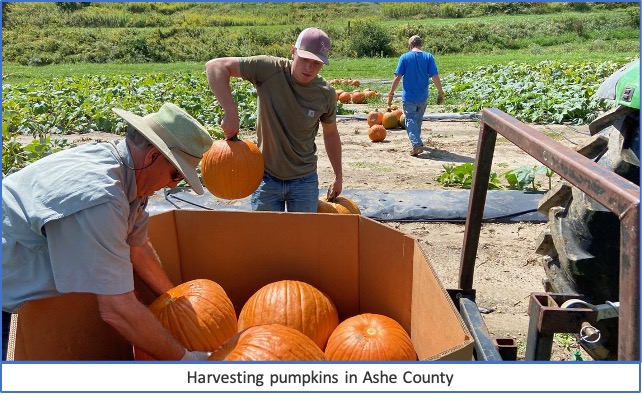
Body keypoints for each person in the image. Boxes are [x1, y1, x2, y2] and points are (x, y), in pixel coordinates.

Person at [2, 103, 214, 361]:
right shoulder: (103, 197)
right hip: (8, 293)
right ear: (152, 157)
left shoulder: (129, 174)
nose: (171, 184)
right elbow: (117, 309)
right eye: (175, 175)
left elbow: (138, 248)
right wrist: (188, 362)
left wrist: (178, 301)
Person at [205, 27, 343, 212]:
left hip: (304, 180)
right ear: (293, 51)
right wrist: (230, 111)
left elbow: (331, 134)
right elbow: (215, 66)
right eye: (304, 59)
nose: (309, 67)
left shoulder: (325, 94)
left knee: (302, 238)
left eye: (316, 63)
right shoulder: (269, 69)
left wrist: (338, 175)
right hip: (266, 178)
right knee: (266, 238)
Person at [388, 35, 445, 157]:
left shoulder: (405, 57)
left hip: (409, 96)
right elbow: (435, 75)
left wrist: (391, 92)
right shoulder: (428, 57)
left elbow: (397, 77)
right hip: (423, 96)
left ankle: (416, 144)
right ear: (420, 45)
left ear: (410, 45)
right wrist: (440, 91)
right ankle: (417, 142)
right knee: (417, 121)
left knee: (410, 120)